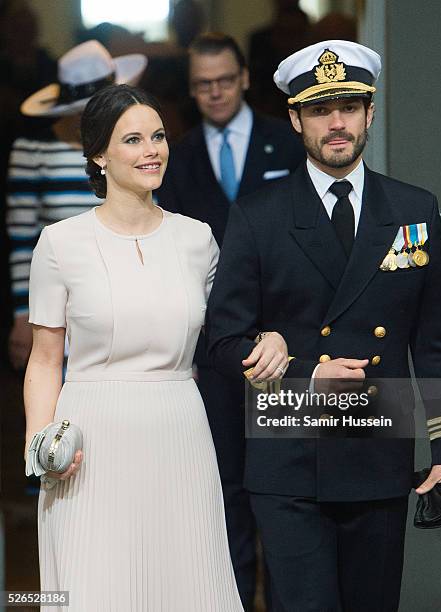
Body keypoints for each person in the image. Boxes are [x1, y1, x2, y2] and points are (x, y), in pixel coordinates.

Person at [206, 40, 441, 611]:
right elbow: (223, 342)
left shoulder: (413, 210)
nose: (336, 123)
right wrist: (304, 375)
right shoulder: (259, 215)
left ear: (369, 113)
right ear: (296, 118)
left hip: (377, 449)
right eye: (321, 110)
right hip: (288, 456)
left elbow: (438, 342)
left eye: (349, 107)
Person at [25, 83, 288, 611]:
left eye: (159, 136)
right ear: (98, 154)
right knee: (94, 587)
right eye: (133, 140)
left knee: (187, 585)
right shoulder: (59, 243)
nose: (152, 150)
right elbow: (45, 358)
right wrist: (40, 446)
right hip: (88, 442)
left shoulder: (198, 239)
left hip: (180, 430)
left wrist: (270, 339)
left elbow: (226, 335)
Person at [156, 32, 304, 609]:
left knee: (289, 497)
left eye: (223, 79)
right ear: (191, 90)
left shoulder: (287, 143)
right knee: (225, 497)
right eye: (201, 84)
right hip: (213, 353)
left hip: (289, 353)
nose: (213, 92)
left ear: (244, 78)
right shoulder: (176, 156)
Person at [7, 39, 147, 370]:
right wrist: (21, 316)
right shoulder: (32, 150)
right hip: (63, 309)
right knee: (67, 415)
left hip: (131, 302)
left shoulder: (128, 147)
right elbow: (22, 240)